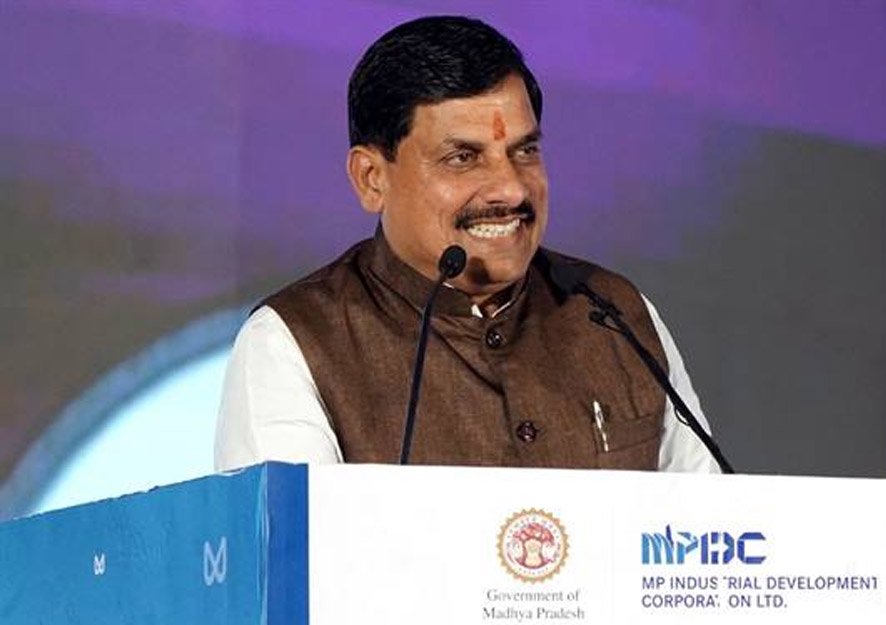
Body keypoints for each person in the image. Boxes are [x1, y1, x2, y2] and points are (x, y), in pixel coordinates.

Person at [215, 15, 720, 474]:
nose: (512, 190)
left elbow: (711, 530)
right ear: (371, 178)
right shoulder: (292, 344)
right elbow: (294, 543)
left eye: (525, 151)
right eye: (463, 158)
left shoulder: (614, 315)